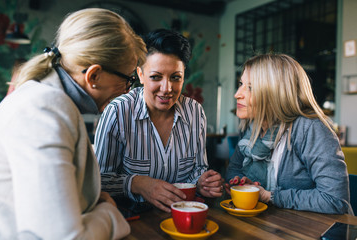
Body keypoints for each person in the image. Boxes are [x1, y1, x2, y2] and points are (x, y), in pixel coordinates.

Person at [0, 8, 146, 239]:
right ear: (94, 75)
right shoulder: (45, 110)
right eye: (129, 80)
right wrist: (109, 213)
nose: (128, 91)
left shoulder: (47, 100)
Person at [94, 28, 223, 213]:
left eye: (175, 78)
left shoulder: (195, 112)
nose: (167, 88)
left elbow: (198, 170)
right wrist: (137, 183)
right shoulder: (118, 111)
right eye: (156, 77)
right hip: (132, 218)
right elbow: (98, 181)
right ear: (140, 74)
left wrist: (203, 182)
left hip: (182, 215)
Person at [225, 53, 352, 214]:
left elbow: (335, 200)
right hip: (270, 225)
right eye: (241, 83)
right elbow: (233, 169)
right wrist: (241, 185)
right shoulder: (251, 127)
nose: (237, 94)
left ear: (276, 93)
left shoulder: (309, 128)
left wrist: (269, 196)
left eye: (250, 87)